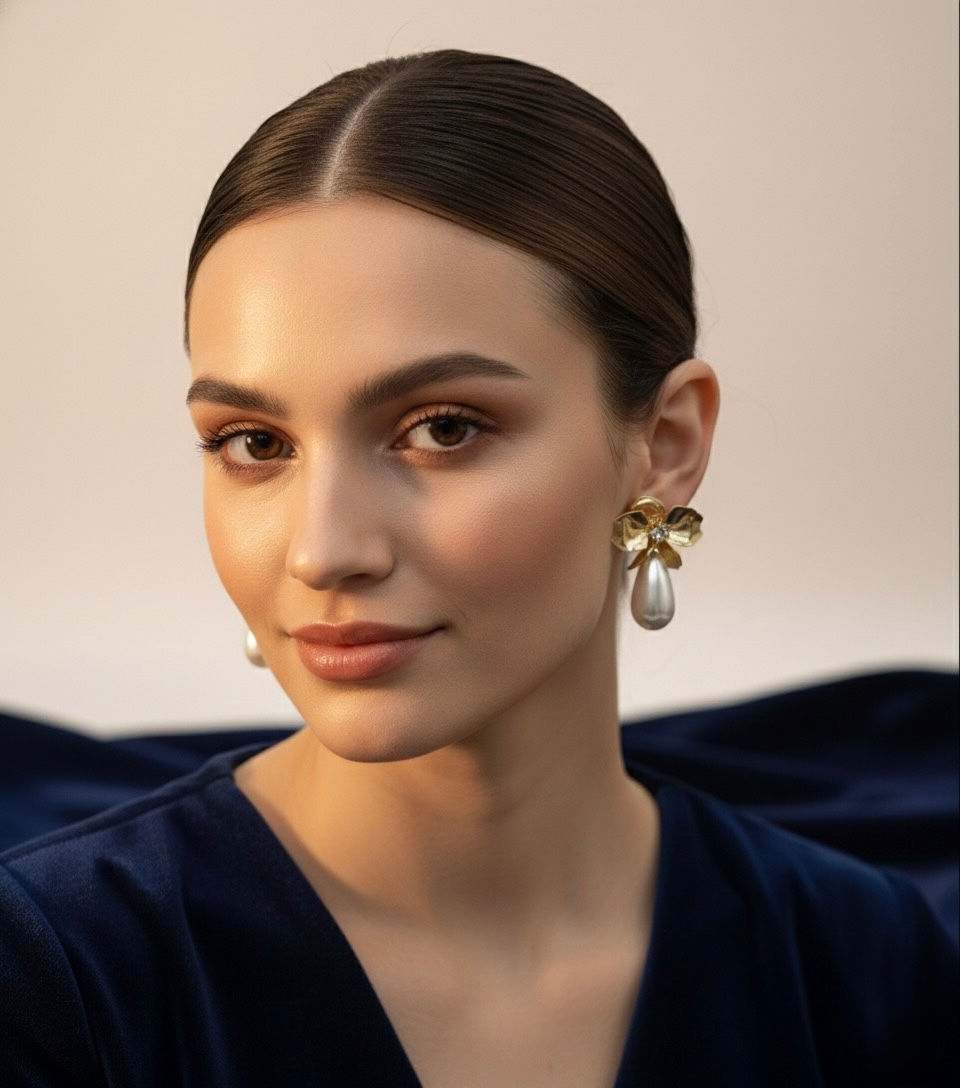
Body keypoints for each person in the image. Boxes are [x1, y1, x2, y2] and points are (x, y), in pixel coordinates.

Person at [0, 49, 955, 1087]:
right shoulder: (54, 970)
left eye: (443, 428)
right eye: (255, 442)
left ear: (666, 443)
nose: (325, 548)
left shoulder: (865, 961)